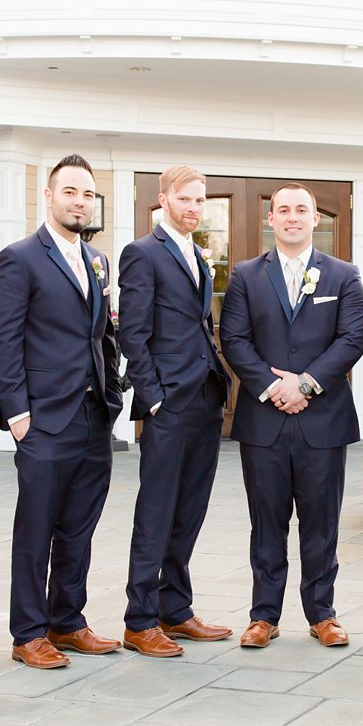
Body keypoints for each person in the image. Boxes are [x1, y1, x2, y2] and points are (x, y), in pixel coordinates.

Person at [0, 154, 125, 670]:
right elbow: (1, 340)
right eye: (70, 192)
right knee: (36, 527)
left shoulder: (98, 261)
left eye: (88, 195)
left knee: (79, 527)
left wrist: (112, 397)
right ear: (48, 197)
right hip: (43, 417)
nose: (80, 202)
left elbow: (102, 335)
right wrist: (17, 411)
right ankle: (28, 633)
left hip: (93, 416)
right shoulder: (19, 258)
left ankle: (67, 621)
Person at [219, 183, 363, 649]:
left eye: (301, 210)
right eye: (283, 210)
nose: (292, 217)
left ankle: (322, 614)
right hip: (263, 421)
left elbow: (352, 338)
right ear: (271, 219)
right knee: (266, 523)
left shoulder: (343, 275)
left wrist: (303, 384)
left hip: (322, 419)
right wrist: (272, 386)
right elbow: (234, 339)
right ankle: (263, 616)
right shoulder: (245, 275)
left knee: (322, 523)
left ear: (315, 218)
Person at [116, 165, 232, 656]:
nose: (192, 207)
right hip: (169, 401)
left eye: (200, 201)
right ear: (163, 200)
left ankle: (176, 610)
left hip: (206, 395)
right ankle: (140, 620)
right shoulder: (143, 253)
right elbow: (133, 333)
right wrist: (154, 395)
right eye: (184, 199)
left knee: (191, 508)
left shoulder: (199, 256)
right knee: (157, 510)